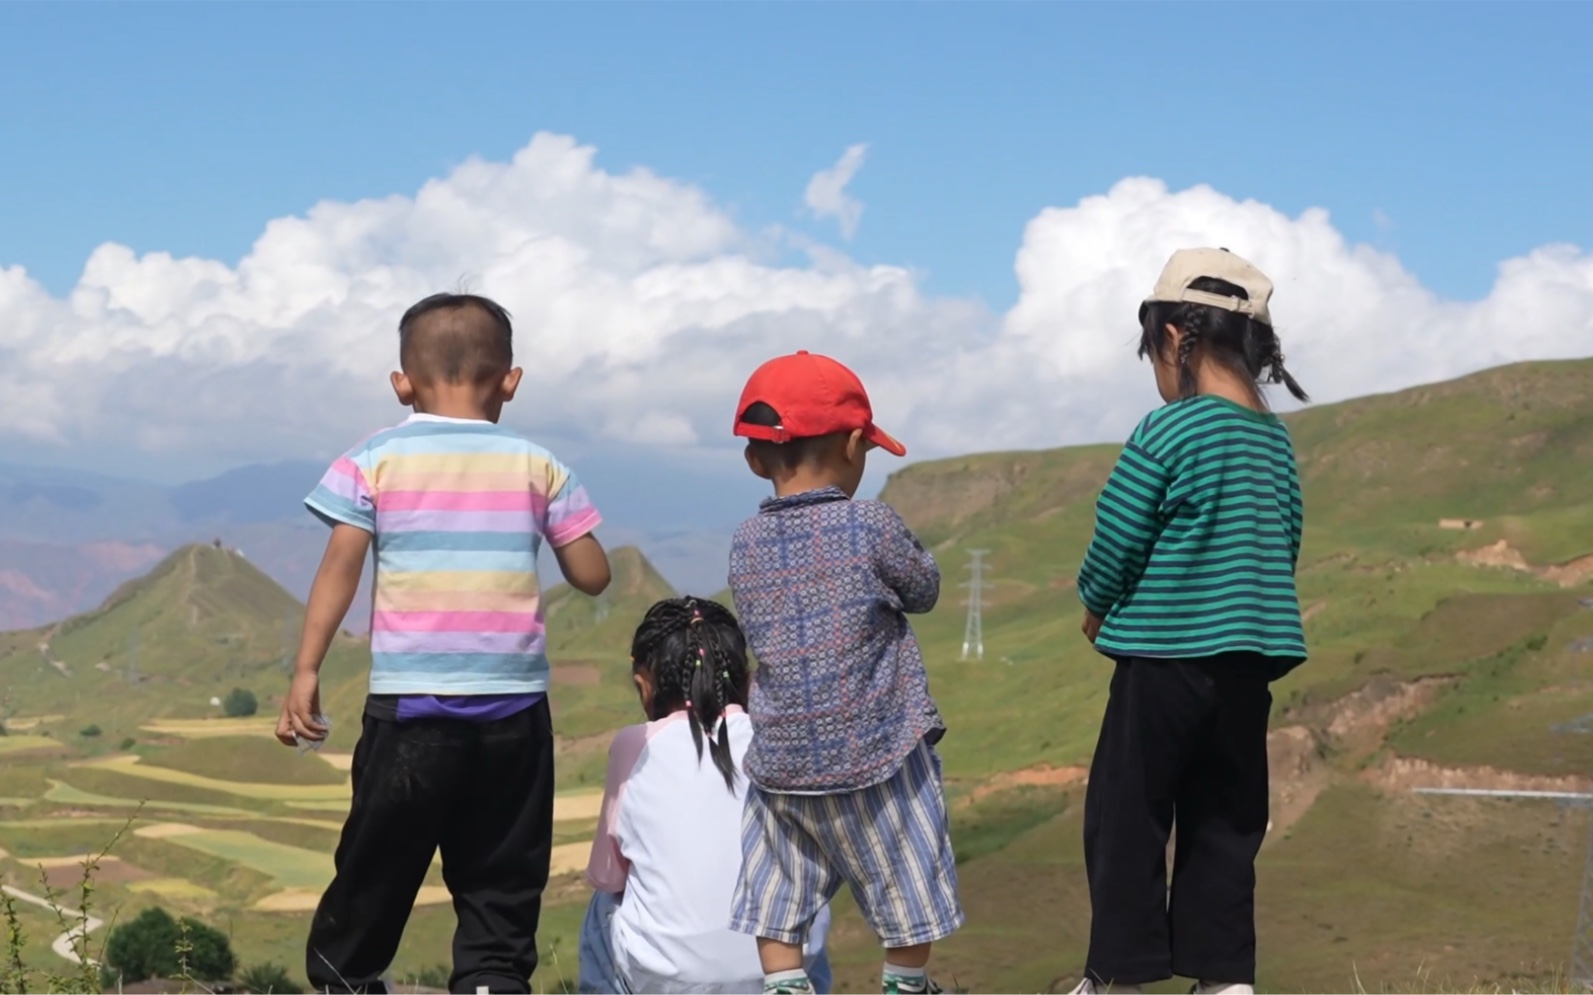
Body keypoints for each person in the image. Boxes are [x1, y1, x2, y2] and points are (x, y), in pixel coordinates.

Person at [276, 292, 611, 995]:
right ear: (511, 379)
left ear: (401, 382)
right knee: (500, 883)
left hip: (409, 710)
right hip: (514, 716)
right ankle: (490, 982)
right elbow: (591, 574)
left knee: (374, 869)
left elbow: (340, 568)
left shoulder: (374, 457)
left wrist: (306, 668)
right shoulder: (537, 463)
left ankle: (347, 980)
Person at [1068, 249, 1310, 995]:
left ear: (1175, 337)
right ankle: (1225, 980)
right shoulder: (1276, 442)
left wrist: (1095, 603)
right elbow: (1286, 538)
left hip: (1163, 662)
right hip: (1247, 667)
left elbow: (1118, 533)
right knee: (1226, 824)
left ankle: (1116, 977)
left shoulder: (1169, 430)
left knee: (1128, 818)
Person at [724, 351, 963, 995]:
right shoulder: (871, 522)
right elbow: (925, 590)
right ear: (857, 445)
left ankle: (784, 983)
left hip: (782, 764)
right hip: (876, 750)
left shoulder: (744, 542)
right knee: (909, 866)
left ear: (755, 458)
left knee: (778, 883)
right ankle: (905, 983)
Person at [579, 597, 833, 995]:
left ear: (644, 686)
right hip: (781, 967)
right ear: (747, 681)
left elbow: (607, 874)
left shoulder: (635, 745)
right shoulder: (781, 739)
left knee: (602, 908)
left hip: (672, 981)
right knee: (803, 909)